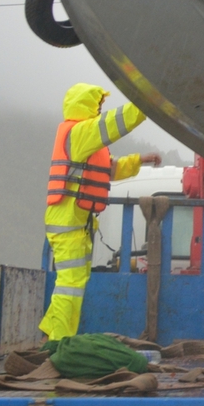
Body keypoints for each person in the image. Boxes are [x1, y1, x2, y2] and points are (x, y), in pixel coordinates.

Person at [40, 83, 156, 341]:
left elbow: (109, 170)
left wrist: (140, 160)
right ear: (86, 104)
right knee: (70, 283)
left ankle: (54, 335)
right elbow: (113, 123)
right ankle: (57, 341)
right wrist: (146, 102)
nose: (100, 108)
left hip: (77, 223)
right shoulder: (80, 132)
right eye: (98, 104)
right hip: (68, 223)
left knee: (74, 283)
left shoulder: (84, 141)